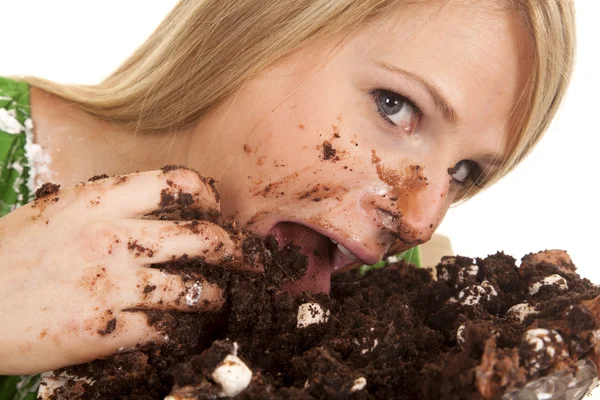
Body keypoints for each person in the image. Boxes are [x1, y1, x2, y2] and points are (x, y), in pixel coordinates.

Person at [0, 0, 574, 398]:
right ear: (258, 29)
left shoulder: (411, 318)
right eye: (396, 106)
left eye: (464, 171)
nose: (421, 221)